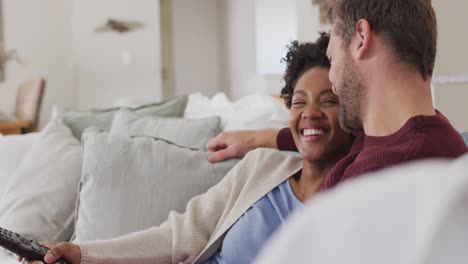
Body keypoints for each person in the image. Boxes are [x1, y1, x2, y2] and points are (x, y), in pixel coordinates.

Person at [20, 33, 354, 264]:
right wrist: (80, 253)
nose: (309, 112)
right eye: (298, 103)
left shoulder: (359, 191)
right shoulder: (261, 167)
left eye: (328, 101)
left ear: (353, 111)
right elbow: (176, 239)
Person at [207, 0, 467, 191]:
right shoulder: (424, 136)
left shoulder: (384, 180)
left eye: (333, 61)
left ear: (361, 38)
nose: (333, 81)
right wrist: (260, 137)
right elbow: (333, 132)